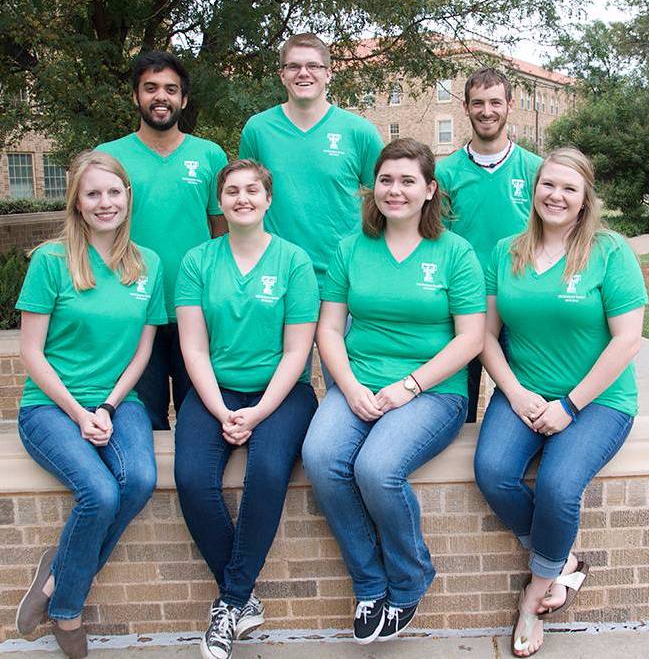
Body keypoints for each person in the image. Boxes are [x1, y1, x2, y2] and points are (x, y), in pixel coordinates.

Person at [302, 139, 486, 644]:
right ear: (373, 187)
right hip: (359, 380)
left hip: (433, 390)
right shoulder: (350, 247)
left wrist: (410, 385)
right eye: (387, 180)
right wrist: (350, 386)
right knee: (320, 456)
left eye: (408, 181)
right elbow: (330, 330)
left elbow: (471, 337)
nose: (396, 190)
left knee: (377, 468)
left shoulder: (456, 253)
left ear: (430, 190)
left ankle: (410, 577)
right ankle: (369, 580)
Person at [473, 148, 647, 657]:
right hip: (523, 390)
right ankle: (562, 560)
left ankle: (535, 591)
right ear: (535, 189)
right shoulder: (506, 250)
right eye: (549, 185)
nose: (557, 195)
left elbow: (627, 341)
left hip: (598, 399)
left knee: (557, 486)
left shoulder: (610, 252)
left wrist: (569, 405)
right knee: (493, 470)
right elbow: (485, 335)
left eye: (569, 188)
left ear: (585, 196)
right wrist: (516, 392)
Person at [14, 151, 167, 659]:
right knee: (99, 493)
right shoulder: (51, 261)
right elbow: (31, 353)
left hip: (116, 401)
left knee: (140, 480)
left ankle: (56, 576)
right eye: (93, 193)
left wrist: (106, 405)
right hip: (50, 407)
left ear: (128, 197)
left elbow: (143, 349)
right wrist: (80, 414)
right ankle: (67, 610)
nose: (105, 203)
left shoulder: (148, 264)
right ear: (77, 203)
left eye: (114, 192)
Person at [173, 160, 320, 659]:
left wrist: (257, 414)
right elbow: (193, 349)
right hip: (215, 392)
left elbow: (298, 351)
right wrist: (220, 410)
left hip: (282, 394)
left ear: (268, 198)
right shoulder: (197, 261)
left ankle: (231, 601)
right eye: (232, 191)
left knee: (268, 470)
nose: (242, 198)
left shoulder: (293, 261)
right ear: (220, 201)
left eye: (251, 190)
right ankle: (242, 599)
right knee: (192, 479)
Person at [98, 50, 228, 430]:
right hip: (134, 309)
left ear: (183, 99)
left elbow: (220, 228)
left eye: (171, 89)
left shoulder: (209, 154)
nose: (161, 96)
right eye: (150, 88)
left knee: (199, 418)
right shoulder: (109, 157)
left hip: (197, 310)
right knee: (143, 418)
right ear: (135, 96)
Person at [435, 67, 542, 422]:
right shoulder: (446, 173)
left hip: (517, 298)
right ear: (465, 107)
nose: (487, 111)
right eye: (478, 103)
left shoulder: (534, 169)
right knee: (458, 403)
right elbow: (435, 238)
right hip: (463, 302)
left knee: (520, 394)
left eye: (495, 102)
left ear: (510, 105)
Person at [239, 32, 384, 290]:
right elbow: (245, 202)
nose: (303, 73)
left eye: (313, 66)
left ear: (328, 73)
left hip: (342, 279)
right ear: (282, 75)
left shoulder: (360, 132)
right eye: (293, 66)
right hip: (274, 277)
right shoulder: (258, 130)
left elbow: (382, 203)